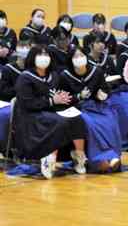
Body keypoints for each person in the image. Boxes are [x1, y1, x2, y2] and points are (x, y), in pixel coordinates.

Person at [13, 46, 88, 179]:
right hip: (31, 115)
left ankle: (79, 156)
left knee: (77, 118)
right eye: (40, 54)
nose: (44, 57)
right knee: (59, 122)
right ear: (32, 57)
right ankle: (48, 158)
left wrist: (64, 98)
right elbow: (28, 103)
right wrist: (52, 101)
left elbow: (57, 95)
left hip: (51, 110)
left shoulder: (54, 76)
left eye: (46, 54)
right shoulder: (25, 78)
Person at [57, 47, 122, 173]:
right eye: (75, 57)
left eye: (81, 55)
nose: (79, 59)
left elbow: (105, 88)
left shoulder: (96, 71)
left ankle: (114, 155)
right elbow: (63, 99)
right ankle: (101, 159)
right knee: (90, 124)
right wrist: (78, 97)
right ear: (70, 60)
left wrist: (103, 94)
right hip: (77, 108)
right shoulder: (64, 76)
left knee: (110, 120)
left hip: (96, 105)